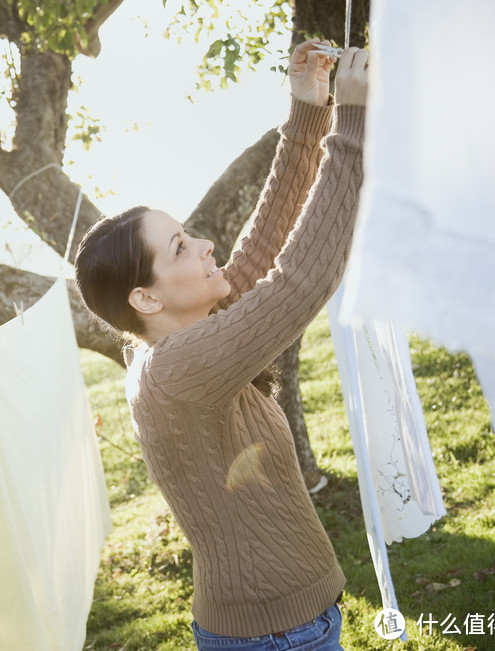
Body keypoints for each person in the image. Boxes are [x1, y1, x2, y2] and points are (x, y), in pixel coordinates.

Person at [73, 40, 369, 650]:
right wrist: (353, 125)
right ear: (146, 300)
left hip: (283, 627)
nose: (205, 245)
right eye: (180, 247)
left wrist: (307, 112)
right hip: (278, 636)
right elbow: (300, 281)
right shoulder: (177, 370)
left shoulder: (179, 349)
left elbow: (262, 253)